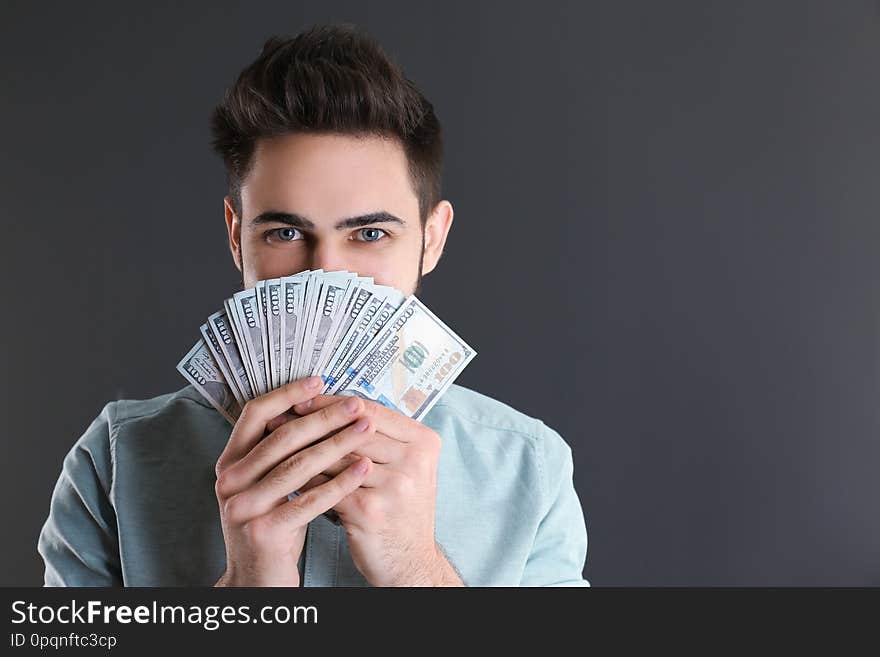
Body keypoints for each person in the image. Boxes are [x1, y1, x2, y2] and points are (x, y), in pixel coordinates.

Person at [37, 24, 589, 587]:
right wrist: (249, 587)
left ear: (432, 238)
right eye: (283, 233)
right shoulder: (116, 462)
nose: (325, 274)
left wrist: (414, 571)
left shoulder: (527, 467)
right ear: (236, 236)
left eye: (370, 234)